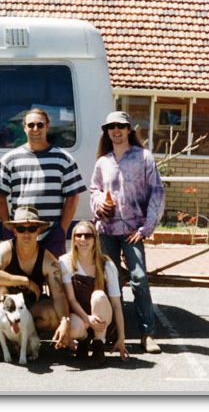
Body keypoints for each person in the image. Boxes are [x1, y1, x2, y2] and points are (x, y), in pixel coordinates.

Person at [90, 111, 165, 354]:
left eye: (121, 126)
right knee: (111, 281)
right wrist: (100, 203)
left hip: (133, 230)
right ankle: (113, 332)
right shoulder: (103, 162)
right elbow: (95, 190)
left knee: (139, 278)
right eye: (111, 127)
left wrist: (147, 228)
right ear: (107, 131)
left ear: (129, 129)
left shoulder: (143, 158)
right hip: (107, 231)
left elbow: (157, 192)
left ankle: (147, 333)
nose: (116, 131)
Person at [0, 206, 72, 364]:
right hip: (4, 306)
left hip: (29, 307)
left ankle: (25, 339)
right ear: (14, 231)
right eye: (21, 228)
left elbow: (59, 295)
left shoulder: (47, 259)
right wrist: (25, 281)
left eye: (32, 228)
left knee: (52, 315)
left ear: (39, 231)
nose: (27, 234)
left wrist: (65, 321)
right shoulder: (6, 249)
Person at [0, 108, 86, 257]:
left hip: (52, 235)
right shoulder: (9, 159)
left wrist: (62, 230)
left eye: (40, 125)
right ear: (24, 127)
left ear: (47, 126)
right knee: (20, 279)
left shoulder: (64, 159)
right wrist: (8, 228)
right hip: (21, 234)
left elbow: (73, 197)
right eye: (31, 125)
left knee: (54, 278)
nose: (35, 129)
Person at [59, 221, 129, 366]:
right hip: (81, 316)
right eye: (79, 235)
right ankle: (83, 341)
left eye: (88, 236)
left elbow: (116, 304)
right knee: (71, 327)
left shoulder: (106, 265)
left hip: (102, 317)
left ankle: (99, 346)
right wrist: (87, 318)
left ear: (94, 239)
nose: (83, 239)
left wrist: (121, 338)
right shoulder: (66, 262)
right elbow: (71, 299)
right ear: (74, 239)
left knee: (98, 296)